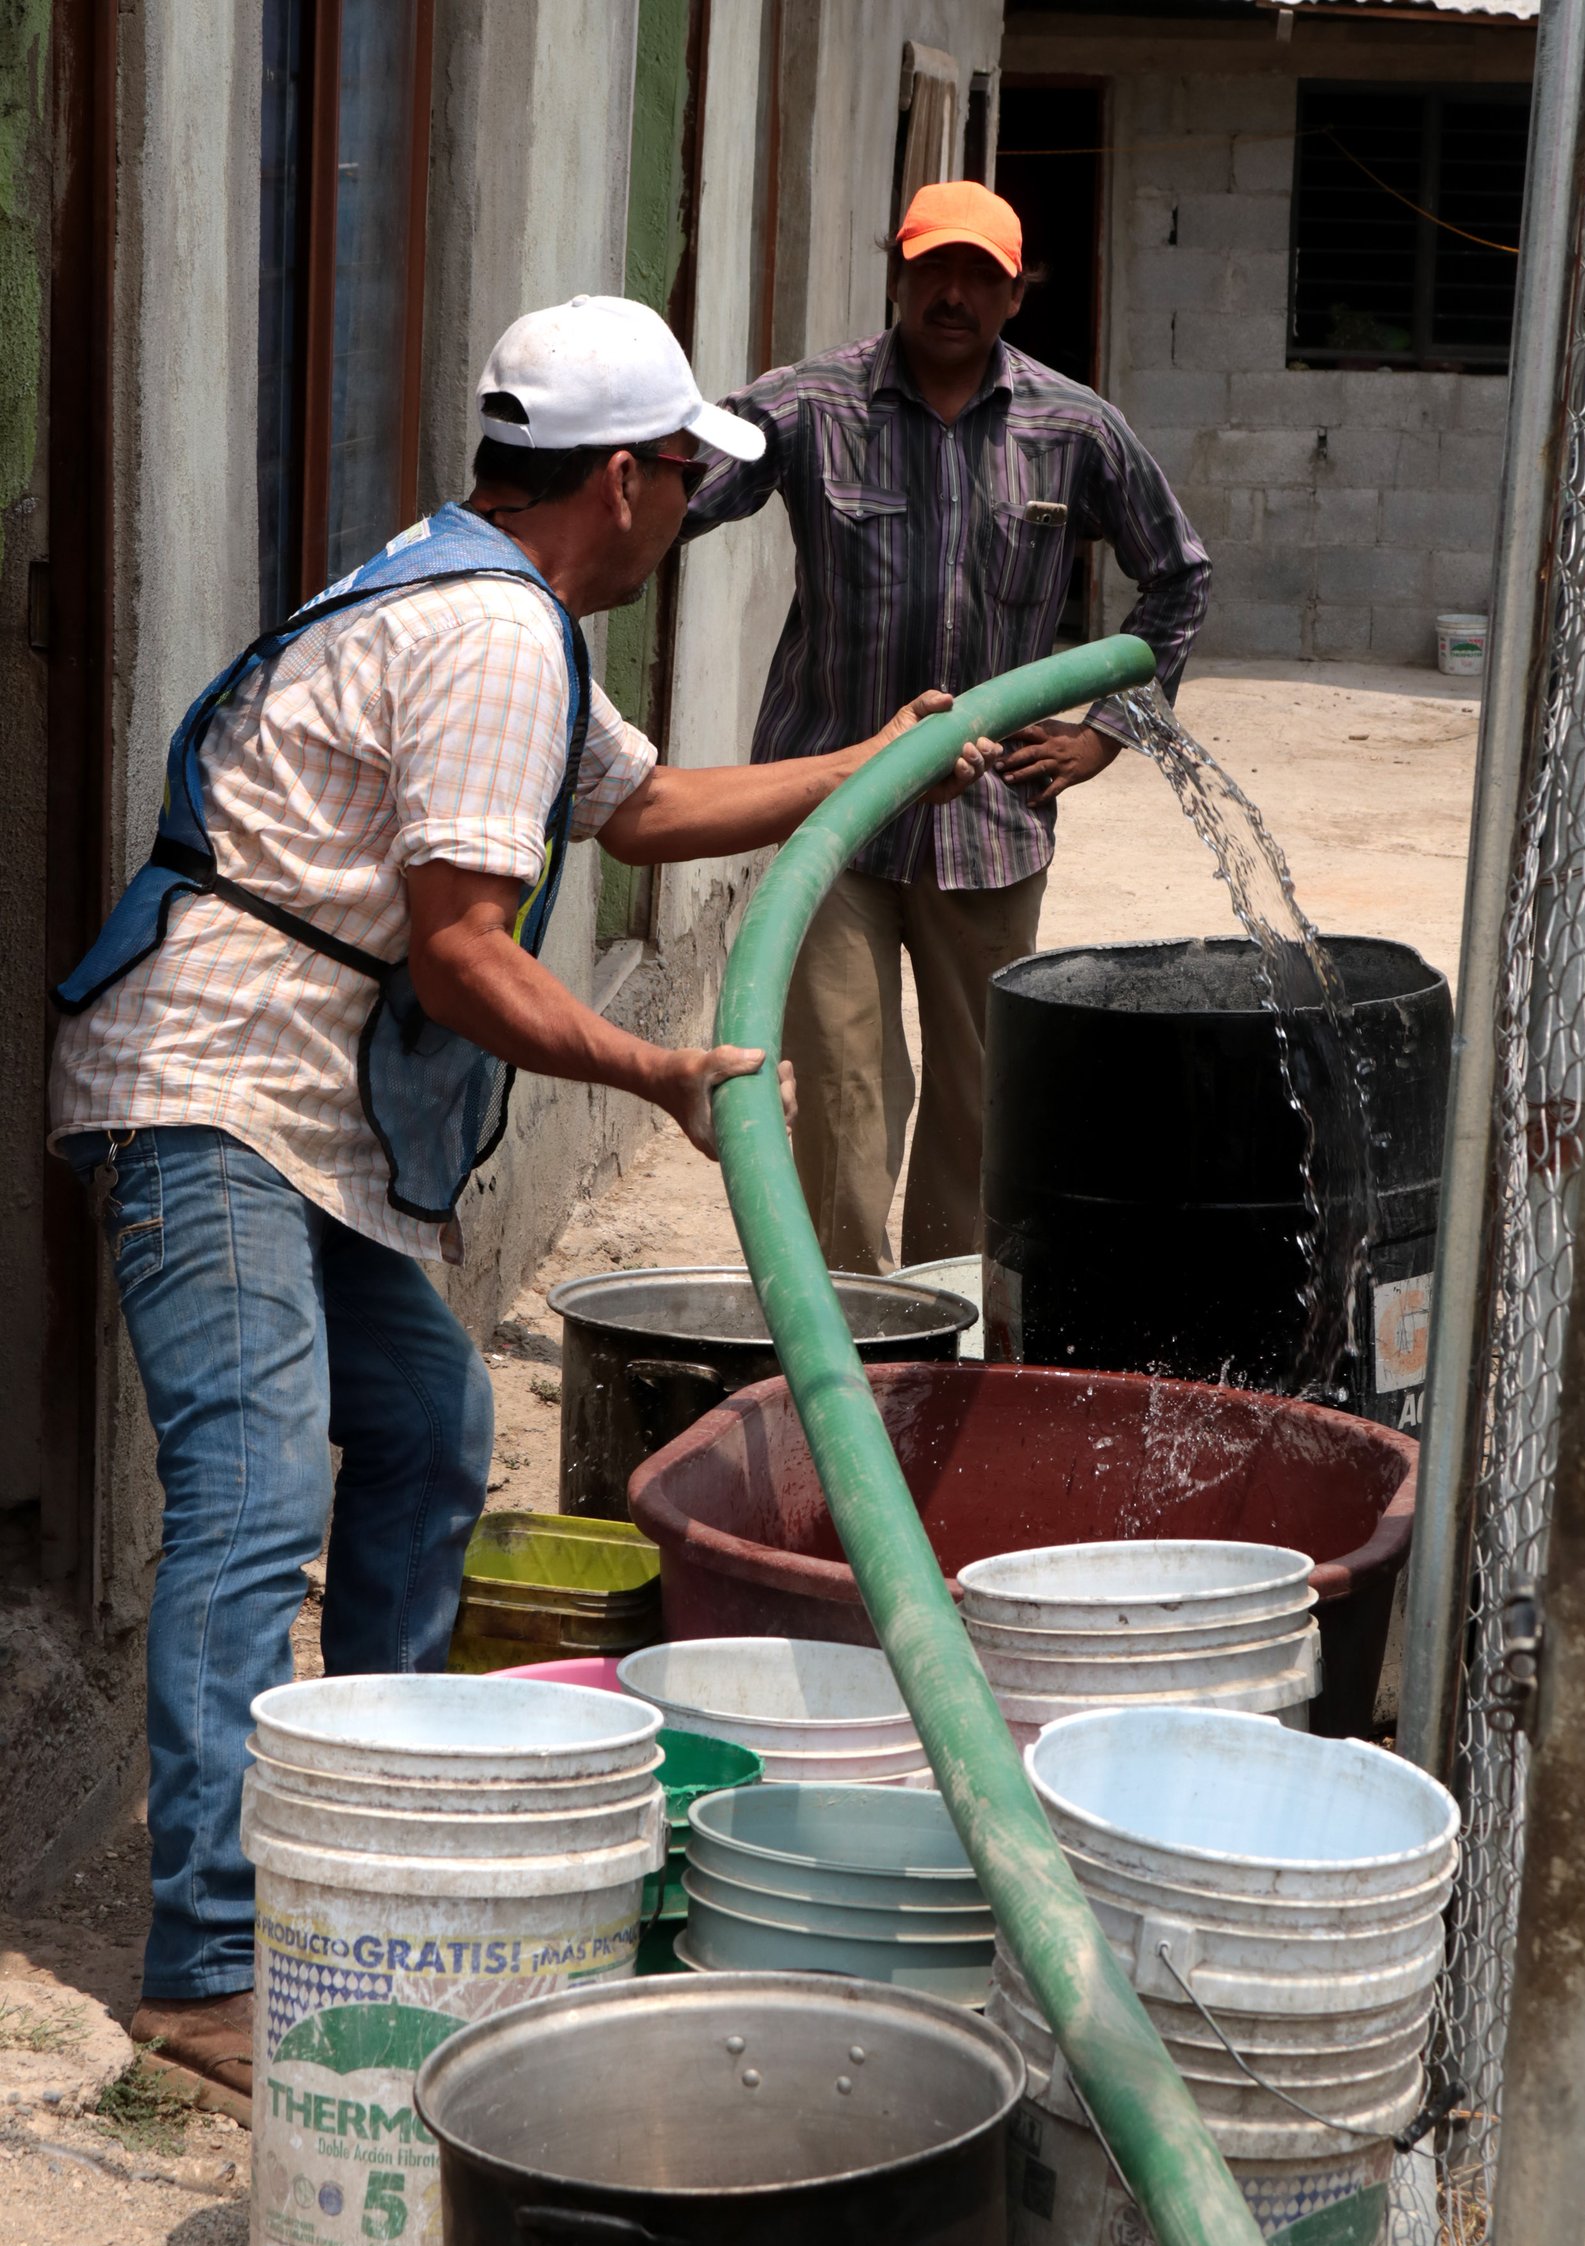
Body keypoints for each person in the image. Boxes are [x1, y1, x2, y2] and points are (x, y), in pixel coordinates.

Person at [47, 294, 993, 2117]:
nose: (690, 517)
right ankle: (208, 1958)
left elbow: (642, 811)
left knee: (428, 1429)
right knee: (254, 1491)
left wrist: (876, 758)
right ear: (622, 477)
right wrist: (657, 1071)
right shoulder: (490, 630)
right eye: (688, 483)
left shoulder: (491, 597)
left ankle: (379, 1813)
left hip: (301, 1109)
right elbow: (465, 954)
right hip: (216, 1088)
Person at [683, 179, 1212, 1273]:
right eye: (934, 270)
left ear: (1017, 294)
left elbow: (1177, 575)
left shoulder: (1074, 427)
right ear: (900, 275)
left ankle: (945, 1318)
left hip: (992, 821)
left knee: (983, 1101)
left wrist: (1106, 732)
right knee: (843, 1088)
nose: (954, 294)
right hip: (837, 809)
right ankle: (851, 1325)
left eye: (980, 275)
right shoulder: (810, 406)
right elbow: (670, 490)